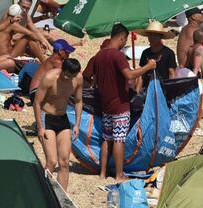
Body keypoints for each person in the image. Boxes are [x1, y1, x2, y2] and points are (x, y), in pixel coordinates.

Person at [82, 24, 157, 180]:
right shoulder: (118, 56)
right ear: (122, 37)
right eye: (125, 40)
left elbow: (86, 76)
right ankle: (119, 174)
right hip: (120, 105)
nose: (125, 43)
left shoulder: (99, 55)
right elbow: (129, 76)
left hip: (105, 104)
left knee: (106, 138)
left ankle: (102, 173)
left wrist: (97, 84)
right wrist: (147, 67)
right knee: (119, 139)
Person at [33, 58, 83, 190]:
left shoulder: (78, 79)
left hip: (62, 118)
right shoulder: (50, 77)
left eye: (70, 76)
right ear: (62, 69)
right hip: (47, 117)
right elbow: (37, 102)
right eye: (65, 74)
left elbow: (78, 101)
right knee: (51, 161)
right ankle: (44, 193)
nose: (67, 77)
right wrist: (40, 127)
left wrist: (77, 124)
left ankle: (62, 197)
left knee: (64, 162)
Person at [135, 20, 177, 88]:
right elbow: (142, 74)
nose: (152, 37)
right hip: (147, 90)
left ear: (160, 36)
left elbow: (172, 73)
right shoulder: (145, 53)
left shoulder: (169, 53)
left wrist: (171, 90)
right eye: (150, 34)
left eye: (155, 35)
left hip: (163, 89)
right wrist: (137, 90)